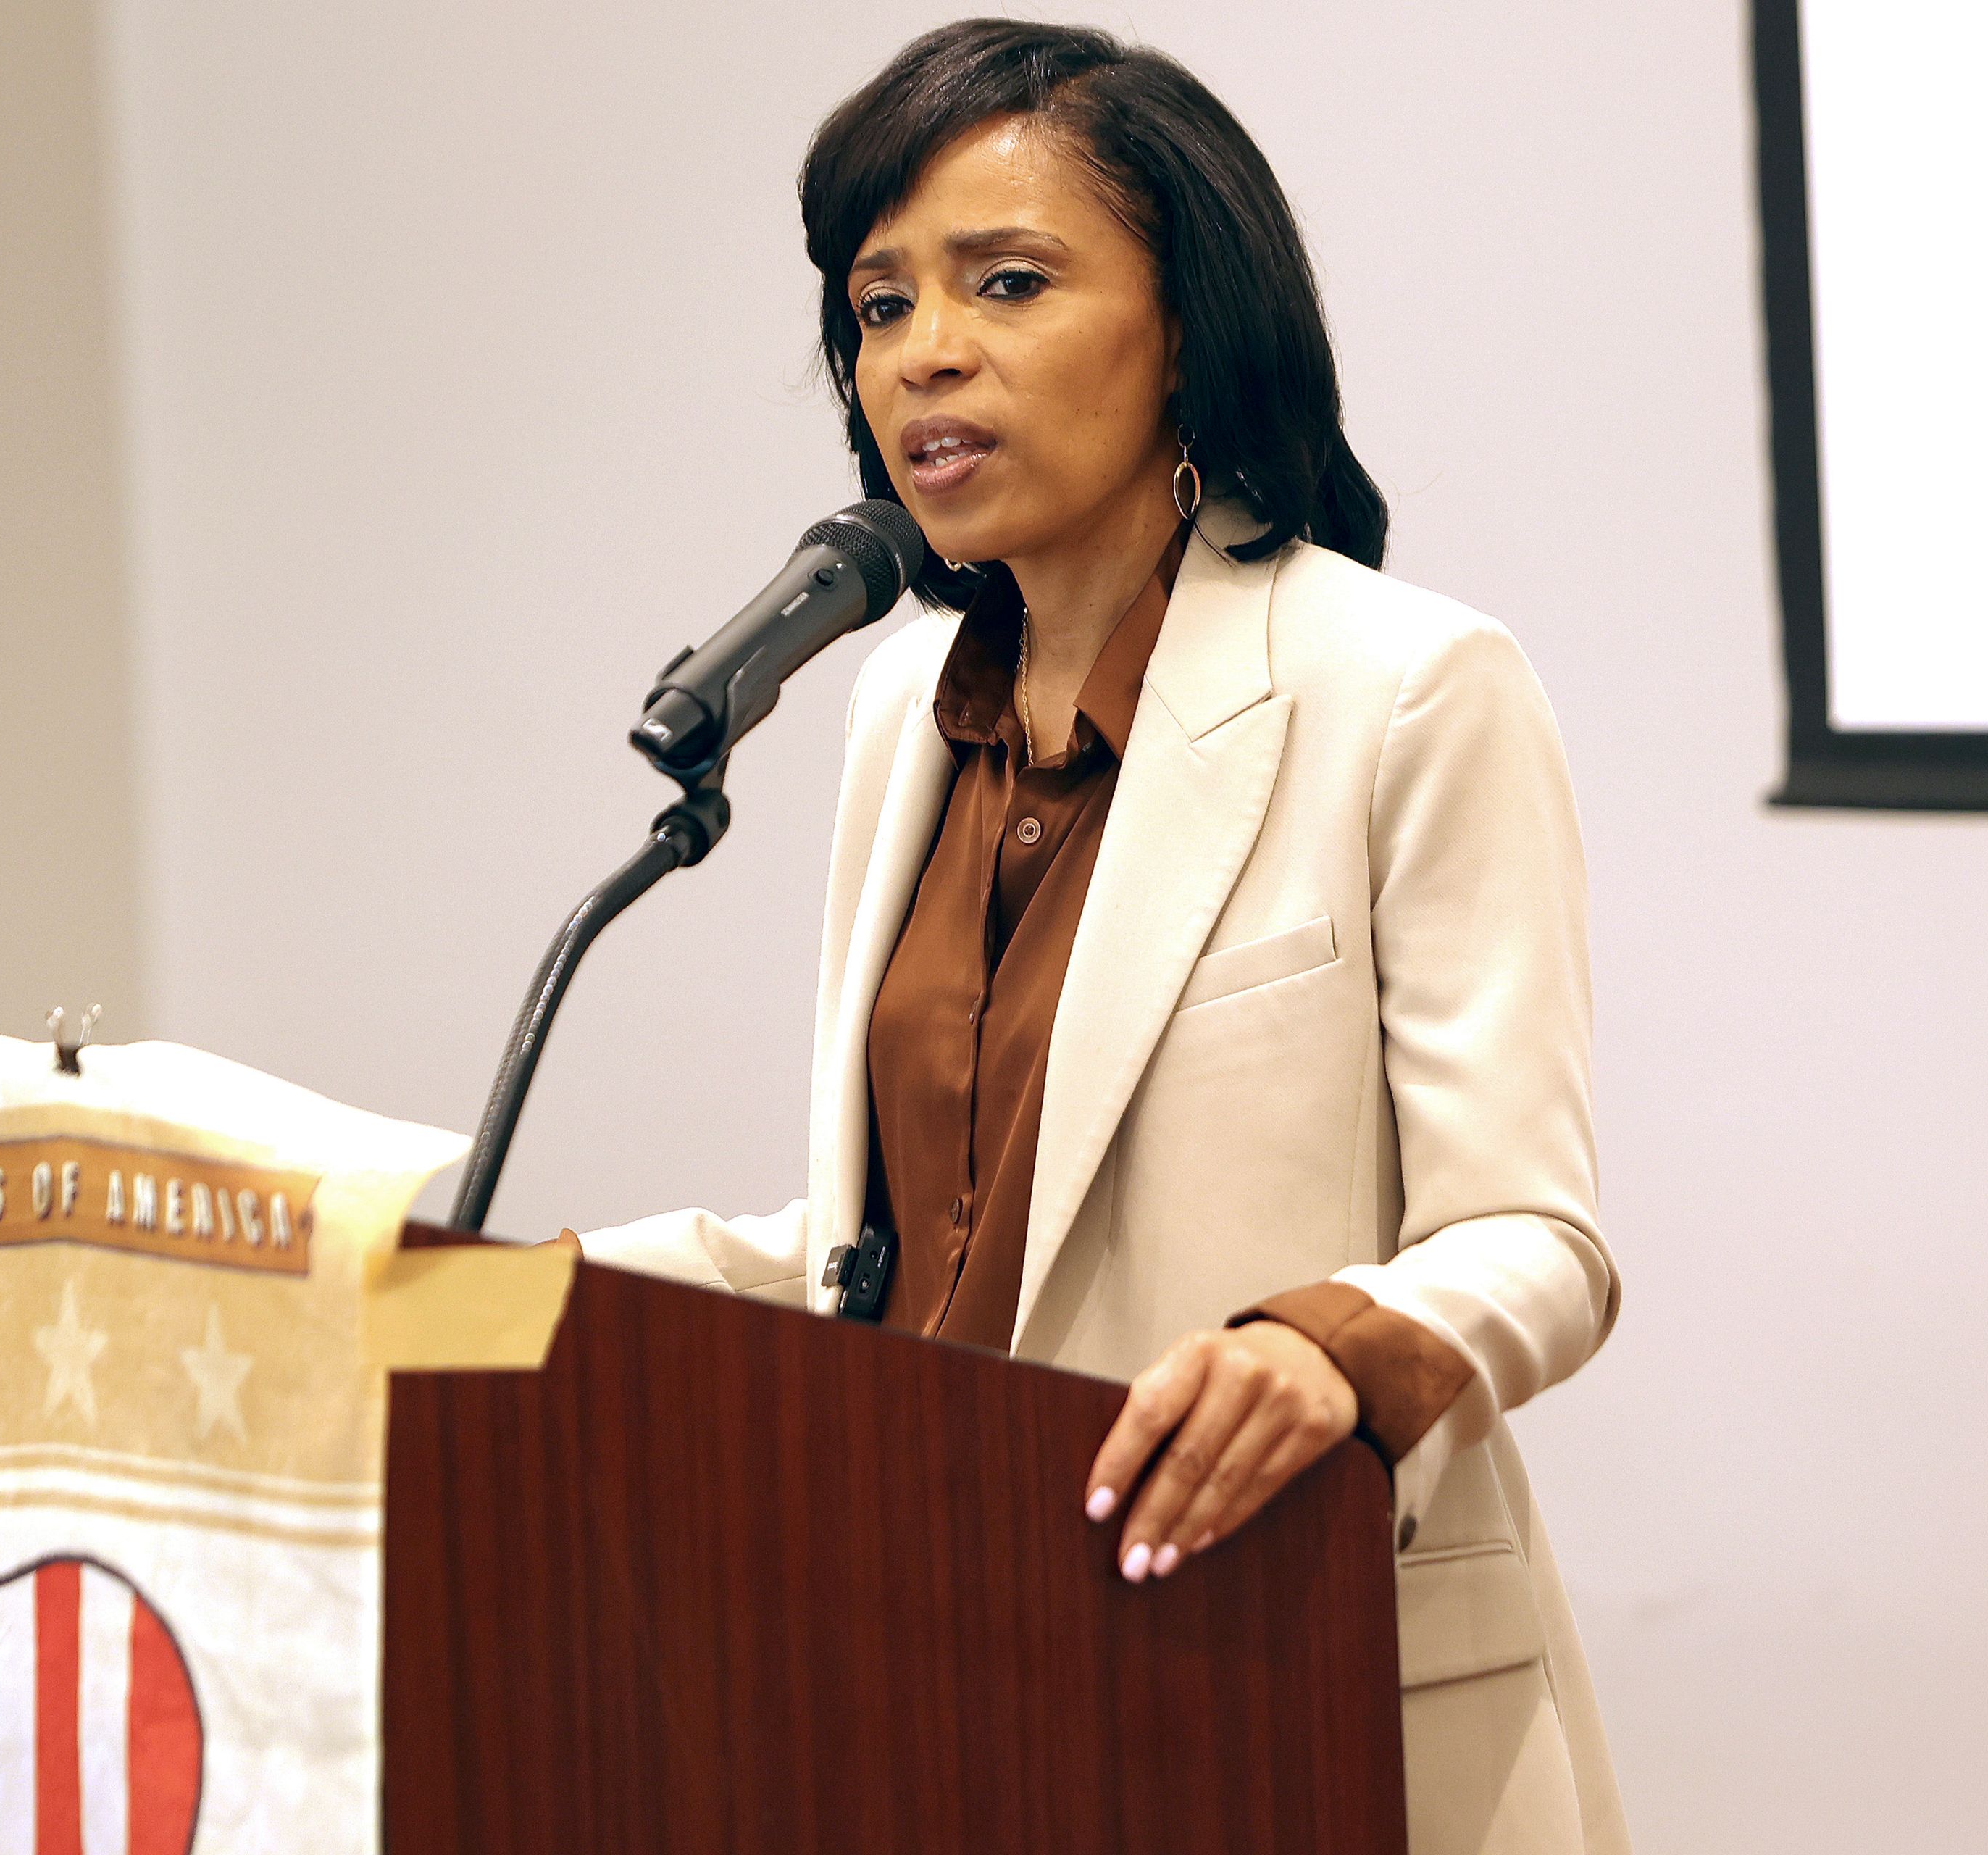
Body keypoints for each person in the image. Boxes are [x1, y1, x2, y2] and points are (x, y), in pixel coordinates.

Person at [569, 21, 1624, 1853]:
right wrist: (510, 1289)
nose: (926, 353)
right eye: (880, 305)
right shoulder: (899, 713)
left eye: (1008, 281)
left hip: (1283, 1672)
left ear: (1191, 327)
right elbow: (880, 1255)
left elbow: (1537, 1241)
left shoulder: (1404, 685)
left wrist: (1328, 1344)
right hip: (934, 1677)